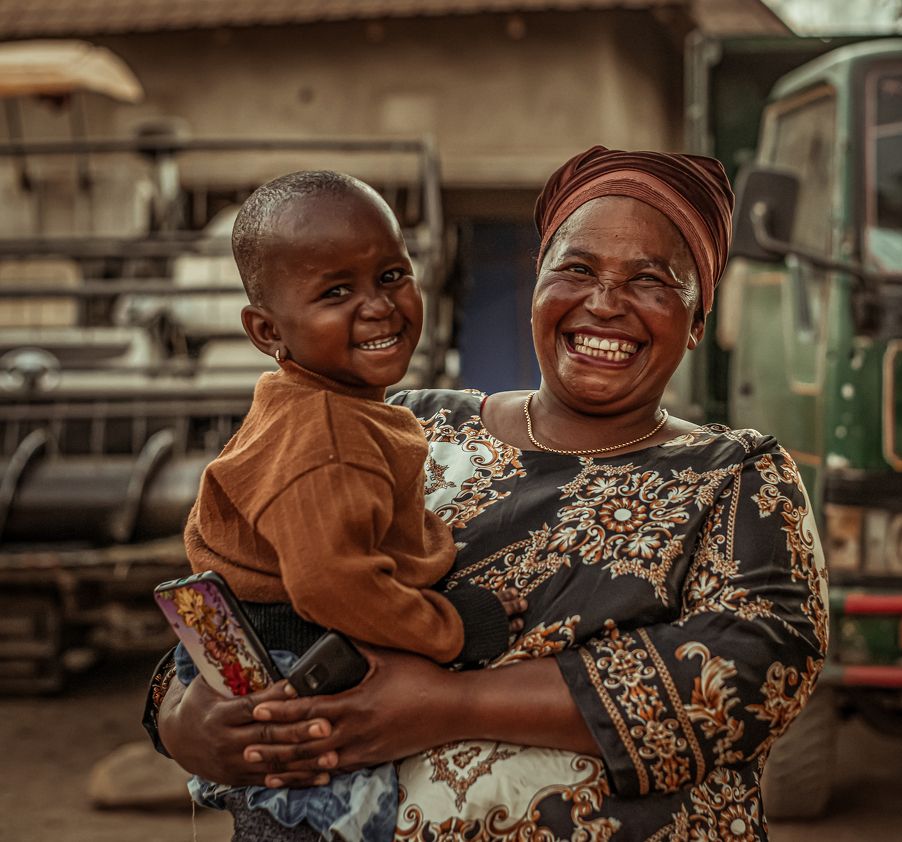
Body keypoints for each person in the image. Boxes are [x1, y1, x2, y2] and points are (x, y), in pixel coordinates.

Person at [145, 147, 828, 841]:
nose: (605, 303)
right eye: (577, 269)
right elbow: (252, 590)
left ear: (699, 319)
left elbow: (749, 674)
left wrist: (451, 705)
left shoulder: (735, 476)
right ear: (538, 284)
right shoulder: (395, 422)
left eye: (651, 280)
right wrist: (183, 720)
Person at [170, 170, 524, 842]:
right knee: (327, 820)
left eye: (392, 274)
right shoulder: (326, 433)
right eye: (336, 292)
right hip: (293, 662)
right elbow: (333, 582)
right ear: (266, 329)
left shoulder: (326, 405)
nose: (379, 306)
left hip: (271, 643)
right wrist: (450, 627)